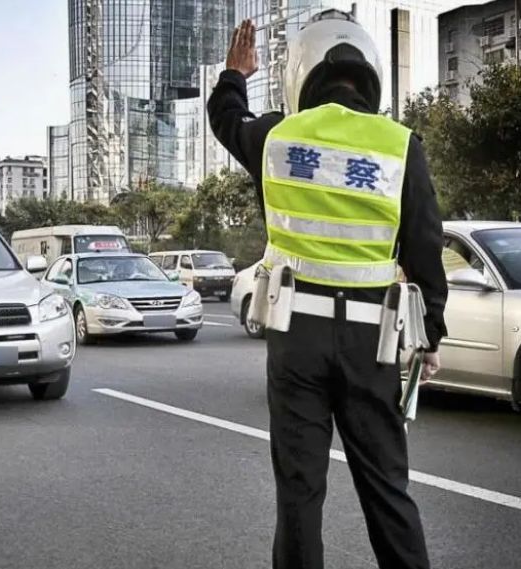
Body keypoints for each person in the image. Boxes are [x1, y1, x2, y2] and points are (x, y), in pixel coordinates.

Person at [207, 11, 448, 569]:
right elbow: (424, 247)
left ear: (303, 76)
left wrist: (235, 73)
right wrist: (430, 335)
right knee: (388, 490)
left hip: (296, 339)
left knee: (299, 495)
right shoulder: (400, 145)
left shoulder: (276, 137)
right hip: (375, 343)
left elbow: (226, 119)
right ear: (368, 76)